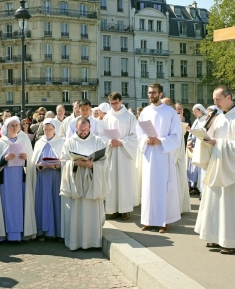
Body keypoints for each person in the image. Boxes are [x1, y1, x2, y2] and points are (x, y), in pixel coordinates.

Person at [192, 86, 235, 254]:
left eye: (218, 99)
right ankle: (215, 236)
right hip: (217, 165)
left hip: (231, 169)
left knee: (231, 206)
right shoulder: (218, 118)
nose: (215, 102)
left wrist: (218, 143)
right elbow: (208, 138)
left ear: (228, 98)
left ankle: (233, 240)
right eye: (213, 99)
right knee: (214, 203)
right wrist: (205, 133)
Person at [136, 83, 181, 233]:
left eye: (154, 93)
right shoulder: (145, 112)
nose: (151, 95)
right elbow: (140, 132)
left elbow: (176, 135)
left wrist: (161, 140)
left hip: (163, 154)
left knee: (162, 188)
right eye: (149, 93)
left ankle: (163, 221)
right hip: (149, 154)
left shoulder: (170, 112)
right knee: (149, 187)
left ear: (160, 94)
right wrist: (145, 140)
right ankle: (149, 220)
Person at [60, 117, 110, 250]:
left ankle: (92, 242)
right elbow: (64, 162)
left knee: (91, 211)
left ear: (90, 128)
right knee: (76, 213)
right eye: (81, 130)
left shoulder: (98, 141)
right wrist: (75, 163)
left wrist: (93, 165)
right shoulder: (69, 142)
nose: (83, 132)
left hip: (92, 181)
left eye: (86, 129)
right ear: (76, 127)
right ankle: (75, 242)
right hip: (76, 180)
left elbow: (104, 162)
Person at [0, 117, 36, 241]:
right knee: (6, 205)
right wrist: (5, 159)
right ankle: (4, 234)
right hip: (6, 180)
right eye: (11, 125)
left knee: (20, 204)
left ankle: (19, 233)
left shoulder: (24, 140)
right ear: (6, 127)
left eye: (16, 125)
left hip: (20, 179)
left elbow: (30, 162)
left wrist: (26, 159)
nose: (14, 128)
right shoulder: (1, 142)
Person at [100, 92, 138, 221]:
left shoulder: (130, 117)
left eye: (115, 103)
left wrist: (122, 142)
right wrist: (110, 142)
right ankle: (114, 209)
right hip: (111, 152)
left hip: (124, 153)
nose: (114, 106)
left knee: (124, 181)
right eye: (111, 104)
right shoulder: (107, 117)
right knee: (112, 180)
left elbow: (134, 135)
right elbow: (101, 134)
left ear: (121, 101)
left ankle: (126, 209)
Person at [32, 118, 64, 239]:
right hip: (42, 177)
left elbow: (65, 161)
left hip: (56, 176)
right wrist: (38, 165)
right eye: (45, 129)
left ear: (54, 129)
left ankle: (57, 231)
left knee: (56, 202)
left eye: (50, 129)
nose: (48, 131)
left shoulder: (60, 142)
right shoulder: (39, 142)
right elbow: (33, 161)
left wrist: (55, 165)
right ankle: (42, 231)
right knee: (43, 202)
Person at [162, 97, 191, 213]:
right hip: (166, 157)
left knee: (176, 185)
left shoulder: (175, 121)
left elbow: (176, 141)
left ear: (170, 107)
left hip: (174, 159)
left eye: (164, 105)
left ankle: (176, 208)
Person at [187, 104, 207, 196]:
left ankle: (200, 189)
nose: (194, 113)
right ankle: (193, 186)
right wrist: (190, 140)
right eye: (193, 111)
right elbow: (193, 132)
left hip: (200, 147)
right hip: (194, 147)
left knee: (200, 169)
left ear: (201, 110)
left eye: (195, 111)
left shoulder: (205, 120)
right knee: (193, 168)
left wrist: (193, 139)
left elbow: (202, 133)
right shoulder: (196, 120)